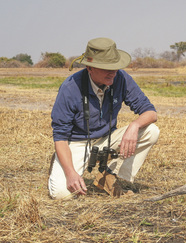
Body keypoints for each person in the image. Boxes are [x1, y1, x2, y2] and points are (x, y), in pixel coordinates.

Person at [48, 37, 160, 200]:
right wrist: (70, 173)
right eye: (106, 68)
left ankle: (108, 176)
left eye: (115, 67)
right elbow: (60, 138)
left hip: (107, 139)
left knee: (151, 131)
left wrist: (134, 126)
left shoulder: (121, 78)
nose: (113, 72)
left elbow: (151, 113)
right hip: (77, 143)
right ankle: (61, 162)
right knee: (61, 195)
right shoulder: (70, 88)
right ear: (89, 68)